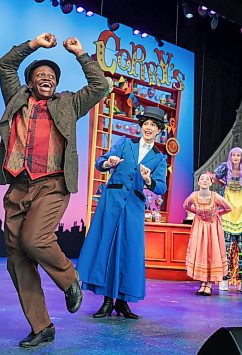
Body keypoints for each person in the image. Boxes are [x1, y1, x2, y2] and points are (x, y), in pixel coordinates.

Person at [0, 33, 109, 348]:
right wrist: (33, 45)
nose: (46, 78)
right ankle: (42, 326)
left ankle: (70, 279)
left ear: (56, 84)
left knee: (35, 240)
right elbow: (6, 64)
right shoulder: (17, 98)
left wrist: (80, 54)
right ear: (30, 82)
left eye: (51, 76)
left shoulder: (69, 103)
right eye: (39, 75)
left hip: (53, 183)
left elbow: (101, 86)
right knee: (17, 256)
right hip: (19, 183)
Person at [77, 106, 167, 320]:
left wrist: (148, 180)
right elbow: (101, 162)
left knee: (129, 251)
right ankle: (107, 300)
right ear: (141, 126)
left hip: (134, 206)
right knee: (107, 246)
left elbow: (161, 187)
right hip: (112, 201)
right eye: (145, 124)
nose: (148, 127)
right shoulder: (126, 143)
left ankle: (122, 302)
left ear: (159, 130)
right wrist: (109, 163)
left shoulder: (159, 158)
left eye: (153, 125)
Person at [214, 147, 242, 293]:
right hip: (228, 202)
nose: (235, 157)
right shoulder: (224, 167)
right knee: (225, 247)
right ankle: (224, 279)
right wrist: (223, 184)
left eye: (238, 155)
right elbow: (215, 177)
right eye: (233, 154)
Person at [183, 172, 232, 296]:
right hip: (199, 227)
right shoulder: (194, 196)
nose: (204, 181)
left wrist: (216, 214)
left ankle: (209, 284)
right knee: (201, 252)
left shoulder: (215, 196)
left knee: (211, 252)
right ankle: (203, 283)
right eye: (202, 179)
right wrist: (197, 212)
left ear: (211, 183)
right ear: (198, 182)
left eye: (207, 179)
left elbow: (228, 208)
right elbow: (186, 205)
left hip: (212, 228)